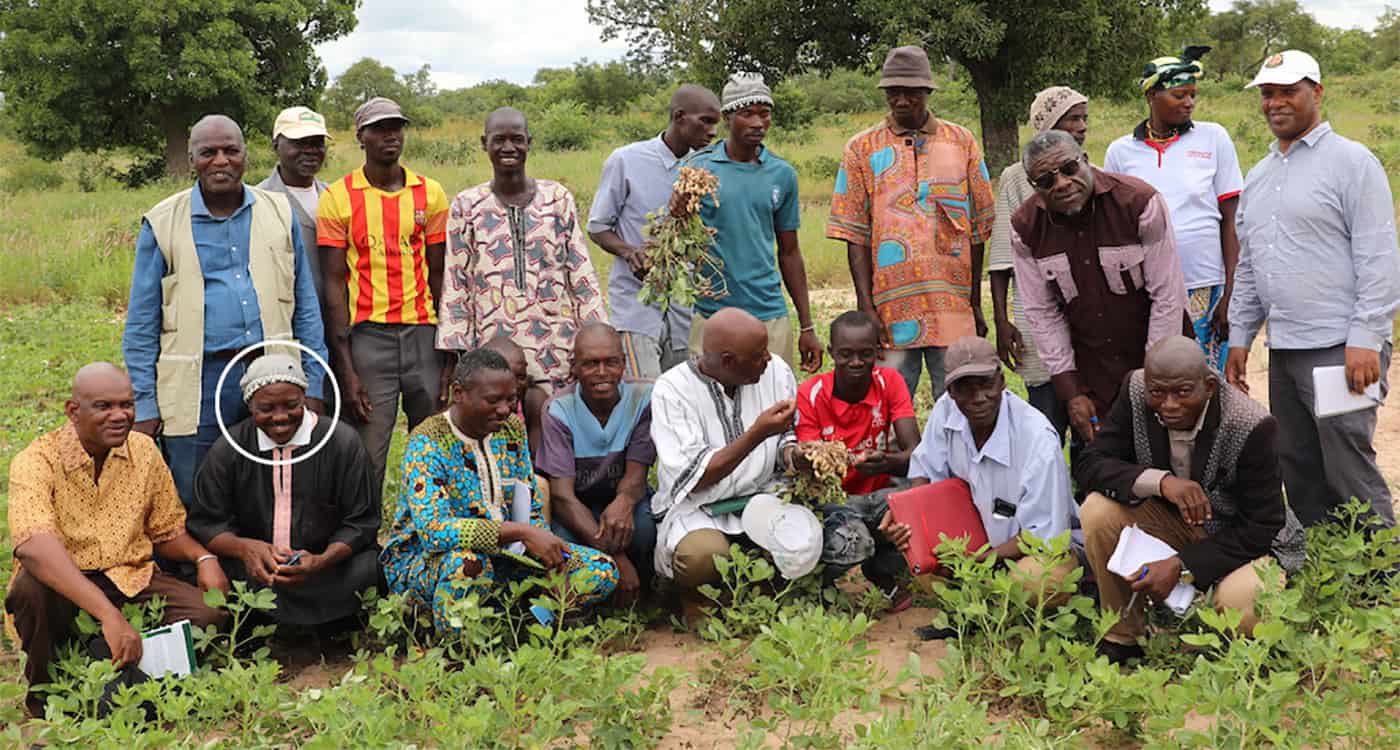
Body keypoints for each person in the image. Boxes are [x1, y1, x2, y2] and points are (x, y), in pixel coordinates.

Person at [1226, 50, 1400, 528]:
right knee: (1297, 464)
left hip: (1341, 347)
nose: (1276, 103)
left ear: (1316, 93)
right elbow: (1249, 266)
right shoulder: (1258, 179)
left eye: (1288, 91)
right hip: (1284, 349)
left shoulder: (1351, 163)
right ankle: (1322, 570)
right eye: (1268, 94)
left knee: (1348, 464)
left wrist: (1366, 337)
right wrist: (1240, 335)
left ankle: (1381, 576)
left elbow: (1378, 256)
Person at [123, 114, 329, 506]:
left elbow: (305, 308)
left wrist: (315, 383)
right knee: (195, 488)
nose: (221, 161)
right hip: (196, 377)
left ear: (245, 156)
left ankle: (261, 563)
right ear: (191, 159)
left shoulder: (278, 211)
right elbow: (141, 325)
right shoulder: (163, 222)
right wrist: (145, 404)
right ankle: (200, 565)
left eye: (230, 151)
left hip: (273, 373)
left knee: (273, 483)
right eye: (208, 153)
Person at [6, 364, 229, 716]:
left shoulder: (142, 451)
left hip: (131, 578)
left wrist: (204, 558)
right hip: (66, 583)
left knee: (209, 613)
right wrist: (108, 614)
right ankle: (46, 701)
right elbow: (34, 546)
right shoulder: (36, 461)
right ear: (73, 411)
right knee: (31, 589)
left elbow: (166, 529)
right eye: (104, 406)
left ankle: (111, 664)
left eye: (127, 404)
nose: (119, 415)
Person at [1076, 336, 1306, 664]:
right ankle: (1124, 636)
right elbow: (1091, 464)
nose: (1169, 405)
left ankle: (1213, 643)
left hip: (1243, 541)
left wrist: (1182, 566)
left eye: (1183, 393)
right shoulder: (1136, 390)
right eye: (1158, 393)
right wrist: (1163, 483)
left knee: (1243, 600)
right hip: (1177, 522)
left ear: (1209, 386)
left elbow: (1261, 526)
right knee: (1098, 511)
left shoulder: (1250, 424)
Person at [380, 349, 618, 633]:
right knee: (467, 564)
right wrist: (521, 532)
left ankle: (529, 621)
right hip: (429, 561)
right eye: (493, 400)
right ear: (458, 393)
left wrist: (546, 550)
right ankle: (455, 645)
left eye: (511, 399)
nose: (505, 409)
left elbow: (527, 500)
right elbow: (435, 531)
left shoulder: (510, 430)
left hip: (508, 556)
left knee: (600, 569)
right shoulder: (428, 442)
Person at [827, 45, 996, 403]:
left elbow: (979, 227)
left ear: (928, 92)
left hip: (951, 305)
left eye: (911, 92)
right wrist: (865, 308)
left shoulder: (961, 141)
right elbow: (854, 233)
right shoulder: (861, 148)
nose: (901, 100)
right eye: (893, 92)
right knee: (888, 409)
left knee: (957, 406)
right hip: (890, 310)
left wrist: (975, 303)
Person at [882, 337, 1080, 639]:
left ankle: (992, 610)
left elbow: (1043, 534)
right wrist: (908, 519)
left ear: (1001, 380)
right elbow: (924, 472)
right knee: (923, 560)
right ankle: (974, 610)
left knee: (1035, 581)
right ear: (950, 391)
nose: (978, 397)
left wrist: (984, 559)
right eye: (965, 388)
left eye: (986, 384)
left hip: (1034, 549)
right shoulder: (945, 410)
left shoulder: (1036, 438)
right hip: (975, 547)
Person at [1010, 130, 1189, 444]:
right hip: (1093, 375)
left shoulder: (1139, 202)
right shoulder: (1026, 228)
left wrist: (1153, 381)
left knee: (1175, 460)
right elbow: (1042, 314)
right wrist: (1071, 393)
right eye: (1046, 180)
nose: (1062, 184)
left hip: (1164, 366)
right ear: (1034, 187)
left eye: (1069, 169)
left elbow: (1168, 297)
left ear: (1086, 161)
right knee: (1104, 472)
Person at [317, 97, 453, 504]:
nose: (389, 135)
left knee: (432, 447)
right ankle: (364, 544)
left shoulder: (429, 193)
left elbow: (441, 274)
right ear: (360, 136)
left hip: (423, 335)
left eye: (396, 126)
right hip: (368, 338)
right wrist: (346, 367)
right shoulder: (339, 198)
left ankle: (426, 534)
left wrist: (449, 351)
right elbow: (333, 284)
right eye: (378, 128)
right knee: (368, 452)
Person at [189, 354, 382, 628]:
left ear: (304, 398)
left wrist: (321, 560)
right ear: (250, 406)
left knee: (369, 567)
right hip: (255, 571)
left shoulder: (342, 442)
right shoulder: (229, 448)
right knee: (209, 572)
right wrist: (246, 549)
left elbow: (362, 521)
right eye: (266, 408)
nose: (280, 418)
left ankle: (323, 626)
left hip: (325, 570)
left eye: (292, 405)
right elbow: (206, 522)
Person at [650, 307, 818, 606]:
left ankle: (759, 590)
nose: (768, 358)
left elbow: (785, 442)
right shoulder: (673, 390)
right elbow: (697, 477)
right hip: (700, 508)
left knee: (804, 540)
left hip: (761, 498)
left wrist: (798, 456)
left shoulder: (776, 371)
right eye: (758, 354)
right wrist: (756, 434)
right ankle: (696, 600)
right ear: (728, 361)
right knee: (702, 556)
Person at [436, 107, 607, 389]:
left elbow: (580, 274)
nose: (508, 147)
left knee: (553, 423)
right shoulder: (467, 205)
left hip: (558, 346)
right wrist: (458, 353)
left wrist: (593, 340)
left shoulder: (557, 199)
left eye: (517, 139)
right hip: (492, 348)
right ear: (484, 144)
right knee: (500, 422)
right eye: (498, 140)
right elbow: (457, 283)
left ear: (529, 141)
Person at [1105, 47, 1244, 372]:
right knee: (1160, 374)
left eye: (1193, 95)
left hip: (1206, 283)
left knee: (1208, 378)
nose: (1189, 103)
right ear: (1152, 94)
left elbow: (1231, 221)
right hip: (1148, 288)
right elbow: (1115, 229)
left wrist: (1231, 293)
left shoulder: (1213, 138)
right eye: (1179, 95)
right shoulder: (1121, 152)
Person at [679, 73, 822, 374]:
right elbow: (679, 238)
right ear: (728, 118)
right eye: (747, 114)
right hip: (712, 314)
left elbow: (790, 251)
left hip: (767, 313)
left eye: (764, 114)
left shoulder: (781, 175)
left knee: (772, 404)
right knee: (709, 403)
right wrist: (676, 211)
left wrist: (807, 325)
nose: (758, 123)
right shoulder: (698, 169)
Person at [588, 84, 722, 378]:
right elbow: (598, 226)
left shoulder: (707, 168)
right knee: (644, 400)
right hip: (637, 308)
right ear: (679, 117)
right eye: (706, 121)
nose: (712, 132)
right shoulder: (626, 160)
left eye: (716, 124)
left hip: (685, 312)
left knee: (679, 400)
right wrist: (629, 251)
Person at [794, 310, 921, 604]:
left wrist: (887, 462)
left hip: (878, 493)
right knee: (852, 542)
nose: (856, 362)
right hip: (834, 499)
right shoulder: (811, 393)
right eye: (846, 354)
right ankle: (818, 583)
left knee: (919, 506)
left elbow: (916, 452)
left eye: (865, 354)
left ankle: (882, 571)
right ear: (831, 354)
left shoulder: (889, 382)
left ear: (878, 352)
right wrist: (834, 461)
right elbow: (808, 464)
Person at [988, 86, 1089, 441]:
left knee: (1091, 429)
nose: (1081, 126)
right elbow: (1001, 258)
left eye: (1084, 118)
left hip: (1086, 317)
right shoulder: (1016, 178)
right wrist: (1002, 321)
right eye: (1071, 119)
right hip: (1036, 319)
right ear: (1047, 125)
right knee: (1044, 428)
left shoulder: (1087, 171)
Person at [536, 323, 658, 605]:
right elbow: (562, 497)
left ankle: (645, 594)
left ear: (624, 364)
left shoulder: (644, 398)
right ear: (574, 367)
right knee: (563, 540)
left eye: (611, 362)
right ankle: (592, 598)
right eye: (591, 364)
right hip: (576, 505)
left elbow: (636, 476)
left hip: (622, 498)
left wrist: (624, 502)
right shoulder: (558, 410)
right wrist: (615, 557)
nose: (602, 373)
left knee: (643, 526)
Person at [259, 106, 337, 412]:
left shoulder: (335, 196)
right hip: (289, 331)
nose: (310, 151)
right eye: (298, 143)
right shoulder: (260, 200)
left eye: (316, 143)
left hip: (339, 328)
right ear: (276, 144)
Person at [483, 335, 551, 458]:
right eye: (505, 377)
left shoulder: (533, 401)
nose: (514, 386)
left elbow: (537, 459)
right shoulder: (470, 404)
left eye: (520, 377)